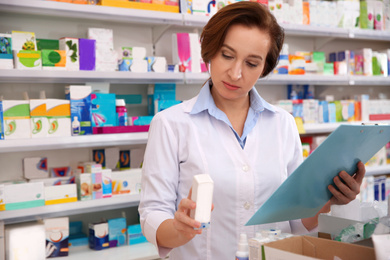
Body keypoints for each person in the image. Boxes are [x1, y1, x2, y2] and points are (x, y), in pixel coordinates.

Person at [138, 2, 366, 259]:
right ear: (209, 51)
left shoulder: (283, 123)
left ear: (265, 67)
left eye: (252, 63)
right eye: (227, 55)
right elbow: (152, 213)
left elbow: (295, 221)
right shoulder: (170, 124)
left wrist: (328, 202)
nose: (236, 73)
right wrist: (178, 230)